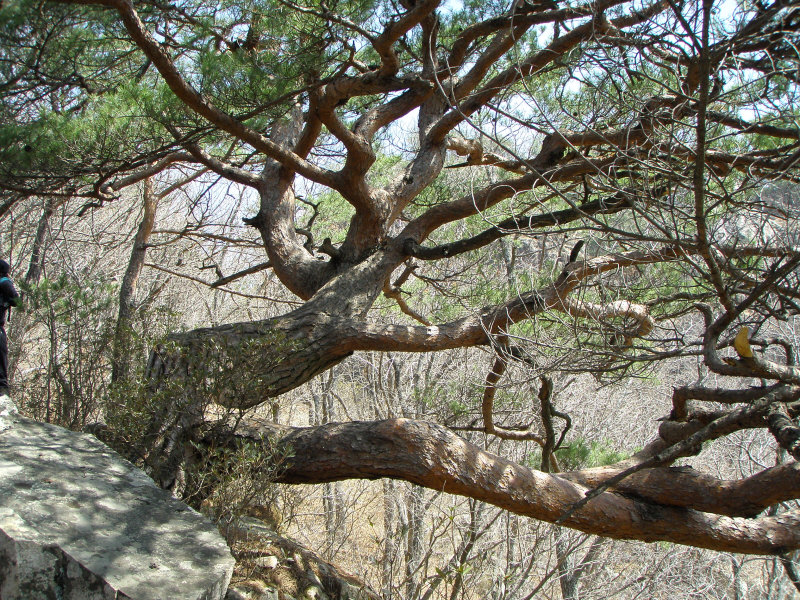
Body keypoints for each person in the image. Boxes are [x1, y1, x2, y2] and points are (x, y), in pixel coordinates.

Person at [0, 260, 20, 396]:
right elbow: (16, 301)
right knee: (1, 358)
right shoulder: (5, 282)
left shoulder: (3, 282)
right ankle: (2, 389)